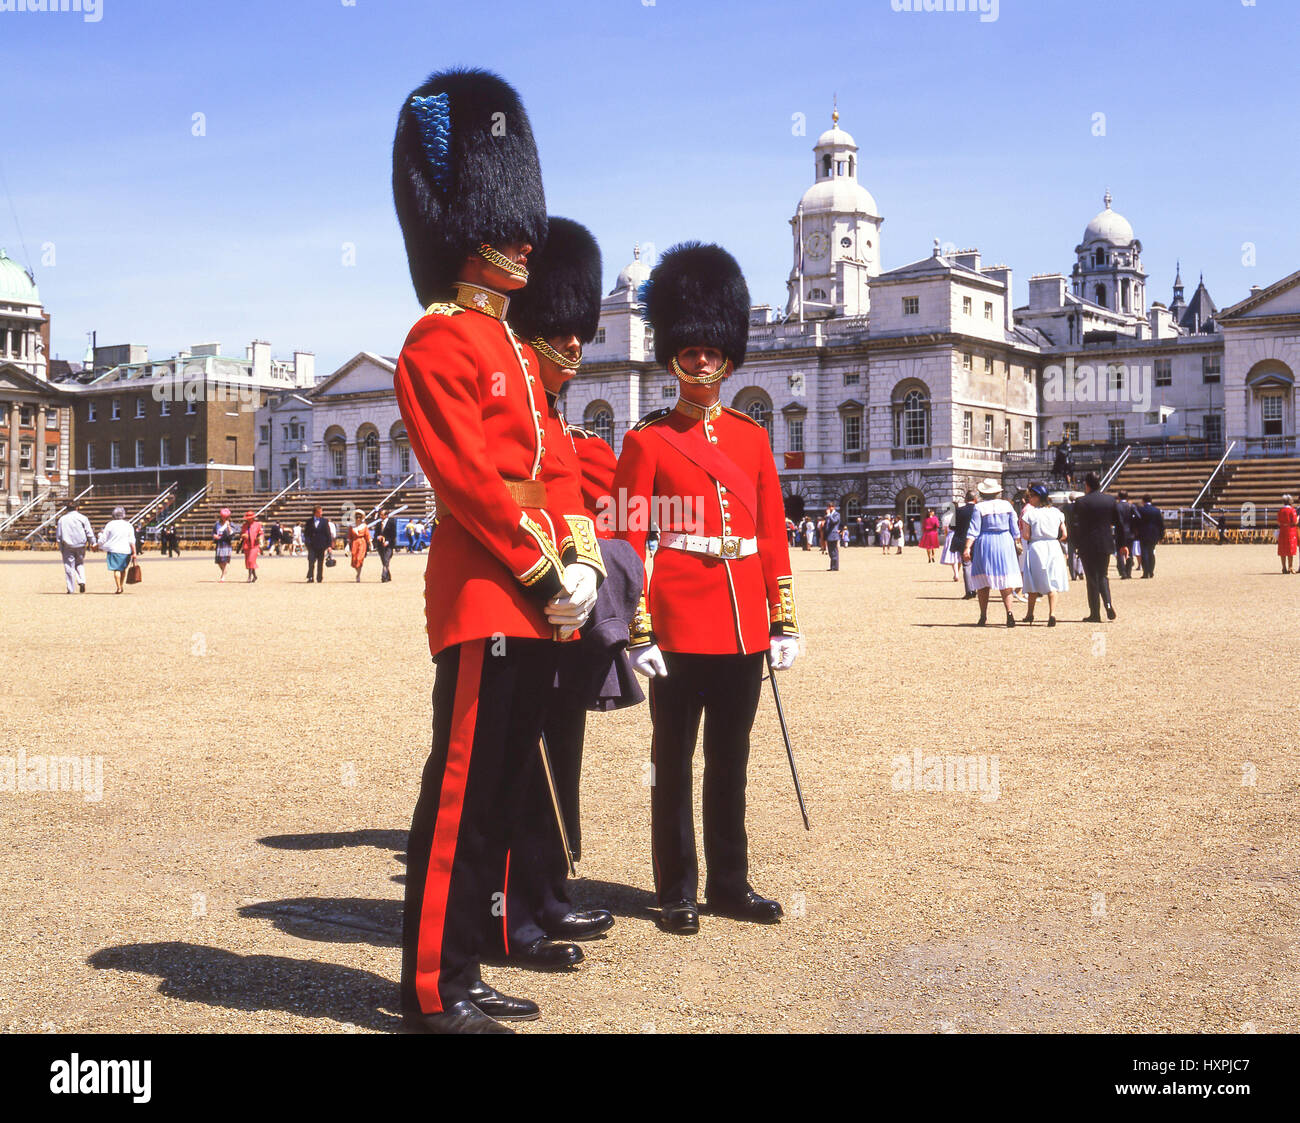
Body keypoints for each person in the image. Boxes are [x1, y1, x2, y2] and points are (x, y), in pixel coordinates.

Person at [391, 68, 601, 1034]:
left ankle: (467, 968)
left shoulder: (517, 353)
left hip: (539, 591)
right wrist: (541, 566)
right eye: (503, 225)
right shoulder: (435, 345)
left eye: (524, 225)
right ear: (460, 232)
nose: (523, 239)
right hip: (486, 591)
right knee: (462, 799)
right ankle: (433, 987)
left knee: (506, 794)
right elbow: (470, 479)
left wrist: (585, 562)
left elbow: (556, 470)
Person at [613, 241, 798, 937]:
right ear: (672, 357)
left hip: (744, 620)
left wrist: (783, 620)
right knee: (671, 762)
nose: (701, 361)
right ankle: (676, 887)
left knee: (732, 759)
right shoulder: (648, 441)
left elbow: (772, 536)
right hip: (679, 621)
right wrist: (638, 627)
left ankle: (729, 880)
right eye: (688, 350)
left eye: (711, 351)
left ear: (727, 355)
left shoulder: (753, 438)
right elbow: (628, 541)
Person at [502, 215, 636, 965]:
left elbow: (593, 513)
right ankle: (516, 908)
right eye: (562, 331)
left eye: (579, 333)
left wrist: (592, 572)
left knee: (559, 760)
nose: (576, 346)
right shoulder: (521, 410)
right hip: (524, 606)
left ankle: (550, 895)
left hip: (569, 614)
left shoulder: (560, 423)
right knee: (521, 768)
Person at [962, 478, 1023, 627]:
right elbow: (1015, 528)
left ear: (983, 493)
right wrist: (1017, 542)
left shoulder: (979, 507)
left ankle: (983, 616)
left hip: (986, 541)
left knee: (983, 580)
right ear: (997, 492)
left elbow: (974, 530)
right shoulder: (1007, 505)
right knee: (1005, 579)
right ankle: (1009, 613)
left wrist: (967, 547)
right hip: (1004, 541)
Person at [1071, 471, 1129, 622]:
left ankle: (1095, 613)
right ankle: (1108, 604)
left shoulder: (1081, 502)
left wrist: (1076, 544)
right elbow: (1120, 524)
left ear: (1087, 484)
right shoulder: (1110, 501)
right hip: (1105, 542)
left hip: (1087, 544)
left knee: (1091, 578)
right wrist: (1122, 544)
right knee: (1103, 575)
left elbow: (1075, 526)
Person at [1019, 483, 1068, 626]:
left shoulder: (1030, 514)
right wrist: (1053, 538)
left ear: (1038, 497)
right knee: (1052, 580)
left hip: (1037, 546)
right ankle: (1052, 613)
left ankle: (1030, 613)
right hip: (1053, 546)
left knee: (1033, 580)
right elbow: (1064, 534)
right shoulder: (1057, 513)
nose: (1030, 499)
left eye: (1032, 496)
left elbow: (1026, 535)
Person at [56, 500, 95, 594]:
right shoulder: (83, 518)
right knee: (80, 564)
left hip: (67, 545)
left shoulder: (62, 519)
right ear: (77, 508)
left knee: (69, 566)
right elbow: (89, 532)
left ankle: (71, 588)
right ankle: (82, 581)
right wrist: (93, 543)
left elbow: (59, 535)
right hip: (81, 545)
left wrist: (60, 547)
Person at [98, 506, 137, 595]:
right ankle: (121, 585)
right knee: (123, 569)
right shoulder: (128, 525)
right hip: (125, 550)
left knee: (116, 570)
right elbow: (132, 540)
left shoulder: (110, 524)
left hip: (114, 549)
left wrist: (98, 544)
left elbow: (103, 538)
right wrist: (134, 552)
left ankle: (118, 587)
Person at [1136, 495, 1165, 578]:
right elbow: (1160, 524)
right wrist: (1161, 535)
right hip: (1154, 534)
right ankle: (1151, 571)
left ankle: (1145, 572)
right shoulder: (1156, 510)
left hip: (1143, 533)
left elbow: (1137, 522)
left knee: (1144, 552)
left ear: (1143, 501)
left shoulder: (1140, 510)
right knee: (1151, 552)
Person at [302, 505, 332, 583]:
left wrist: (329, 545)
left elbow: (328, 533)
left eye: (321, 512)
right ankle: (310, 577)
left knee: (320, 562)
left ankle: (319, 577)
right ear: (315, 512)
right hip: (312, 545)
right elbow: (306, 533)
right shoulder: (309, 522)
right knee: (311, 561)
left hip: (321, 545)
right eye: (319, 512)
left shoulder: (324, 521)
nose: (321, 513)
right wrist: (307, 543)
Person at [1113, 490, 1139, 579]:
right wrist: (1133, 524)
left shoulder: (1116, 506)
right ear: (1127, 497)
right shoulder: (1131, 506)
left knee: (1120, 552)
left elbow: (1114, 519)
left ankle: (1122, 572)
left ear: (1119, 497)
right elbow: (1138, 516)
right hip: (1130, 532)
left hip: (1119, 531)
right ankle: (1129, 572)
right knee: (1130, 552)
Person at [373, 507, 398, 582]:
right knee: (384, 561)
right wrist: (378, 537)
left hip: (389, 545)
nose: (380, 516)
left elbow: (393, 535)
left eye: (382, 515)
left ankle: (383, 576)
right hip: (380, 545)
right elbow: (376, 534)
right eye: (380, 515)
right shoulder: (378, 524)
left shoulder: (391, 523)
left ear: (386, 515)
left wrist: (388, 541)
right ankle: (388, 576)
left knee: (386, 560)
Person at [347, 509, 371, 582]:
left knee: (359, 559)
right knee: (354, 559)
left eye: (359, 517)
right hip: (354, 543)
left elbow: (367, 536)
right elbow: (349, 537)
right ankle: (358, 572)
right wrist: (347, 546)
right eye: (356, 517)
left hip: (362, 543)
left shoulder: (364, 526)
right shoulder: (352, 526)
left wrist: (370, 544)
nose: (358, 519)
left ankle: (358, 575)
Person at [240, 510, 263, 583]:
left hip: (255, 545)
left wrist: (259, 538)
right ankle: (255, 576)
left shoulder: (257, 524)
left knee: (251, 560)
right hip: (247, 545)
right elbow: (242, 533)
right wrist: (243, 535)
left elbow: (261, 533)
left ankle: (249, 577)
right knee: (249, 562)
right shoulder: (244, 525)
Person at [212, 508, 235, 583]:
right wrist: (214, 536)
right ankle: (224, 571)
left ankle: (223, 576)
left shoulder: (231, 524)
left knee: (224, 560)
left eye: (226, 517)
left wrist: (228, 527)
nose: (224, 518)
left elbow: (232, 534)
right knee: (219, 561)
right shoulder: (217, 524)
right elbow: (214, 533)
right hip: (219, 543)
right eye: (223, 516)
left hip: (226, 543)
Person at [1276, 495, 1297, 575]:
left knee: (1282, 549)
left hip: (1282, 531)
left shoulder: (1280, 510)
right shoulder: (1292, 510)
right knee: (1290, 550)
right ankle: (1290, 567)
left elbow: (1278, 522)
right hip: (1290, 531)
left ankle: (1284, 567)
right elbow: (1294, 522)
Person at [824, 502, 842, 571]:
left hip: (833, 534)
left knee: (834, 551)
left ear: (833, 507)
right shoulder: (828, 515)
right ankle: (832, 566)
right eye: (828, 507)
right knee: (830, 551)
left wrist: (829, 515)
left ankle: (835, 567)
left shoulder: (836, 514)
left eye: (830, 507)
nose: (829, 508)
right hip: (828, 534)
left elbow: (834, 521)